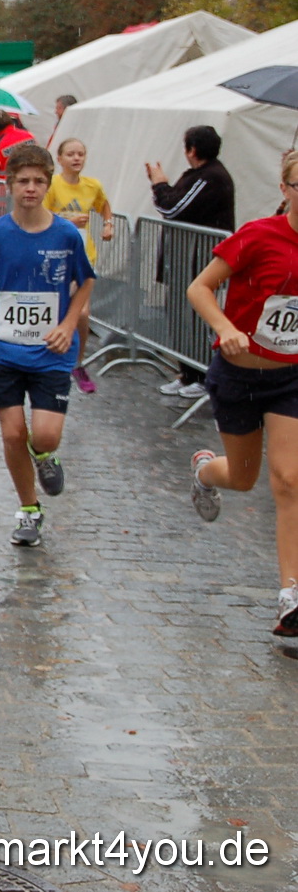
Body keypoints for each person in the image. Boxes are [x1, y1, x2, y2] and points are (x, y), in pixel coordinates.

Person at [0, 142, 95, 548]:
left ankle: (45, 456)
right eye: (23, 181)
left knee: (44, 435)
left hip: (50, 351)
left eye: (39, 181)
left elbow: (86, 282)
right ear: (9, 184)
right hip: (1, 349)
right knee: (13, 434)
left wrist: (67, 323)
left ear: (48, 184)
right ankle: (29, 509)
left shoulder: (65, 234)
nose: (31, 188)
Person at [182, 151, 298, 636]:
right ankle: (205, 471)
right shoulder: (259, 235)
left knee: (289, 480)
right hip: (239, 374)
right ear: (287, 187)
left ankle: (291, 596)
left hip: (291, 376)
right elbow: (200, 288)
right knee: (244, 478)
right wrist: (226, 326)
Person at [149, 124, 237, 399]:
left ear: (192, 149)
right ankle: (187, 373)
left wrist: (159, 184)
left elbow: (171, 208)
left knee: (196, 318)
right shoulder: (199, 176)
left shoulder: (210, 177)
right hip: (184, 260)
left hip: (197, 262)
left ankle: (203, 375)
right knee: (178, 314)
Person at [45, 138, 115, 394]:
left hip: (84, 255)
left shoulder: (92, 185)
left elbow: (104, 205)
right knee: (57, 309)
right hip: (55, 255)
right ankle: (50, 357)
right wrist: (68, 222)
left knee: (82, 313)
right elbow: (42, 216)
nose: (76, 159)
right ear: (60, 159)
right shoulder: (52, 185)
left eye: (81, 154)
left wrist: (108, 224)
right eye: (71, 154)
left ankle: (78, 362)